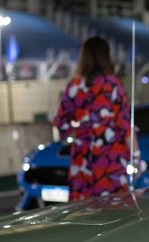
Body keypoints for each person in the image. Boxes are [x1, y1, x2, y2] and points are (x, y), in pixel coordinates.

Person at [53, 36, 134, 201]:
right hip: (110, 157)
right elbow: (125, 125)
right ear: (106, 56)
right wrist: (136, 155)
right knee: (113, 210)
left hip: (82, 159)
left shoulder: (74, 86)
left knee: (83, 212)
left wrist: (79, 130)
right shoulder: (113, 84)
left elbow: (60, 123)